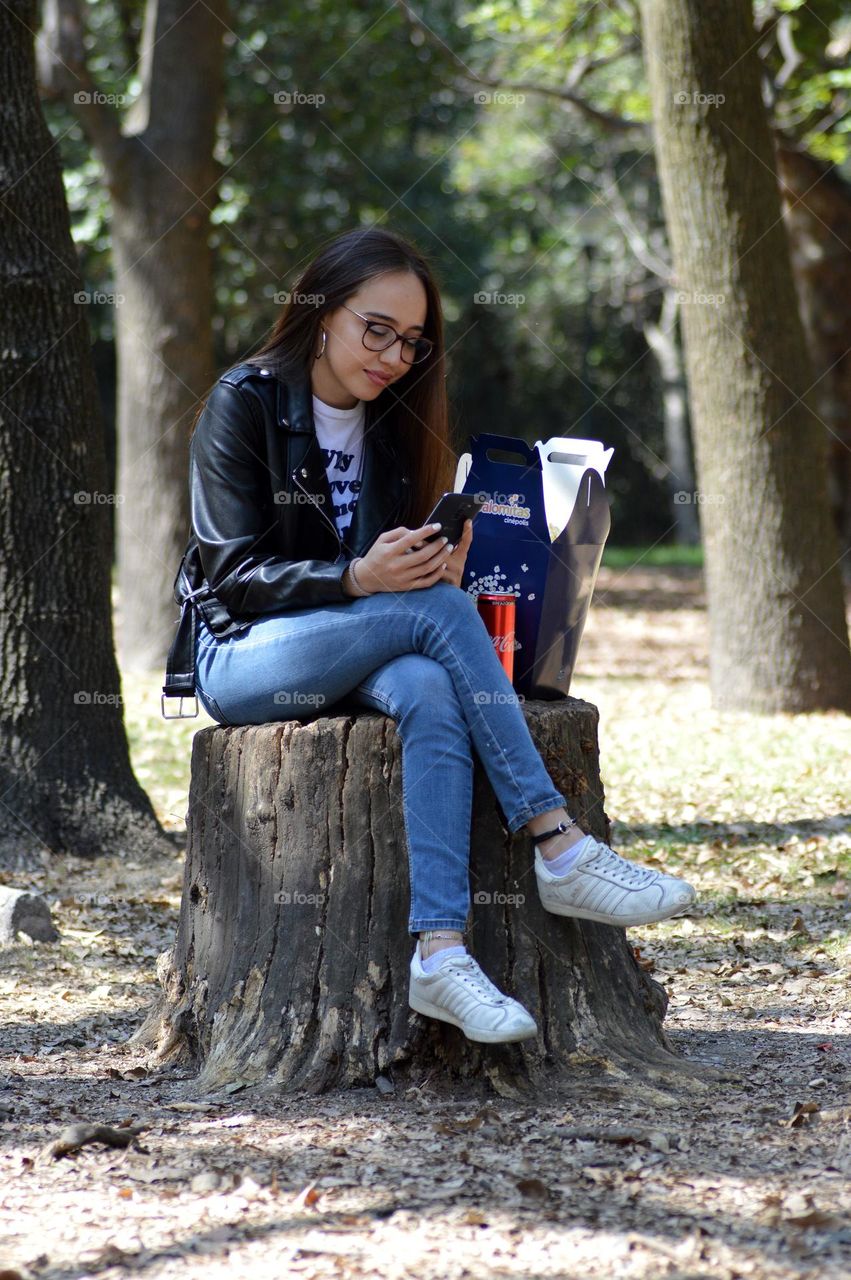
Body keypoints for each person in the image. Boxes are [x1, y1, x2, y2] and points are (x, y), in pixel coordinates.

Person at [170, 226, 696, 1047]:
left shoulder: (389, 424)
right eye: (374, 328)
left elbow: (387, 580)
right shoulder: (244, 402)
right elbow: (231, 575)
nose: (392, 355)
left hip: (349, 643)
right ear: (320, 311)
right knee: (433, 621)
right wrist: (358, 579)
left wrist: (423, 564)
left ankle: (440, 952)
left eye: (411, 342)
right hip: (242, 653)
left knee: (425, 686)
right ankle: (556, 843)